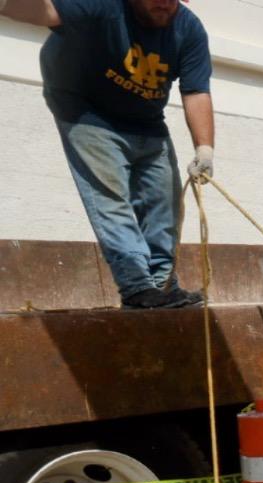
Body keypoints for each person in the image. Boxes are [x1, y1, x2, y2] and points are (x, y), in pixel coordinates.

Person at [4, 0, 215, 310]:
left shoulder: (189, 28)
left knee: (164, 202)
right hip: (86, 109)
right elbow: (44, 10)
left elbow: (196, 91)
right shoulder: (103, 4)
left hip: (146, 118)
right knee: (111, 198)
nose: (164, 3)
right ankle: (137, 287)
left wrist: (204, 148)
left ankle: (162, 284)